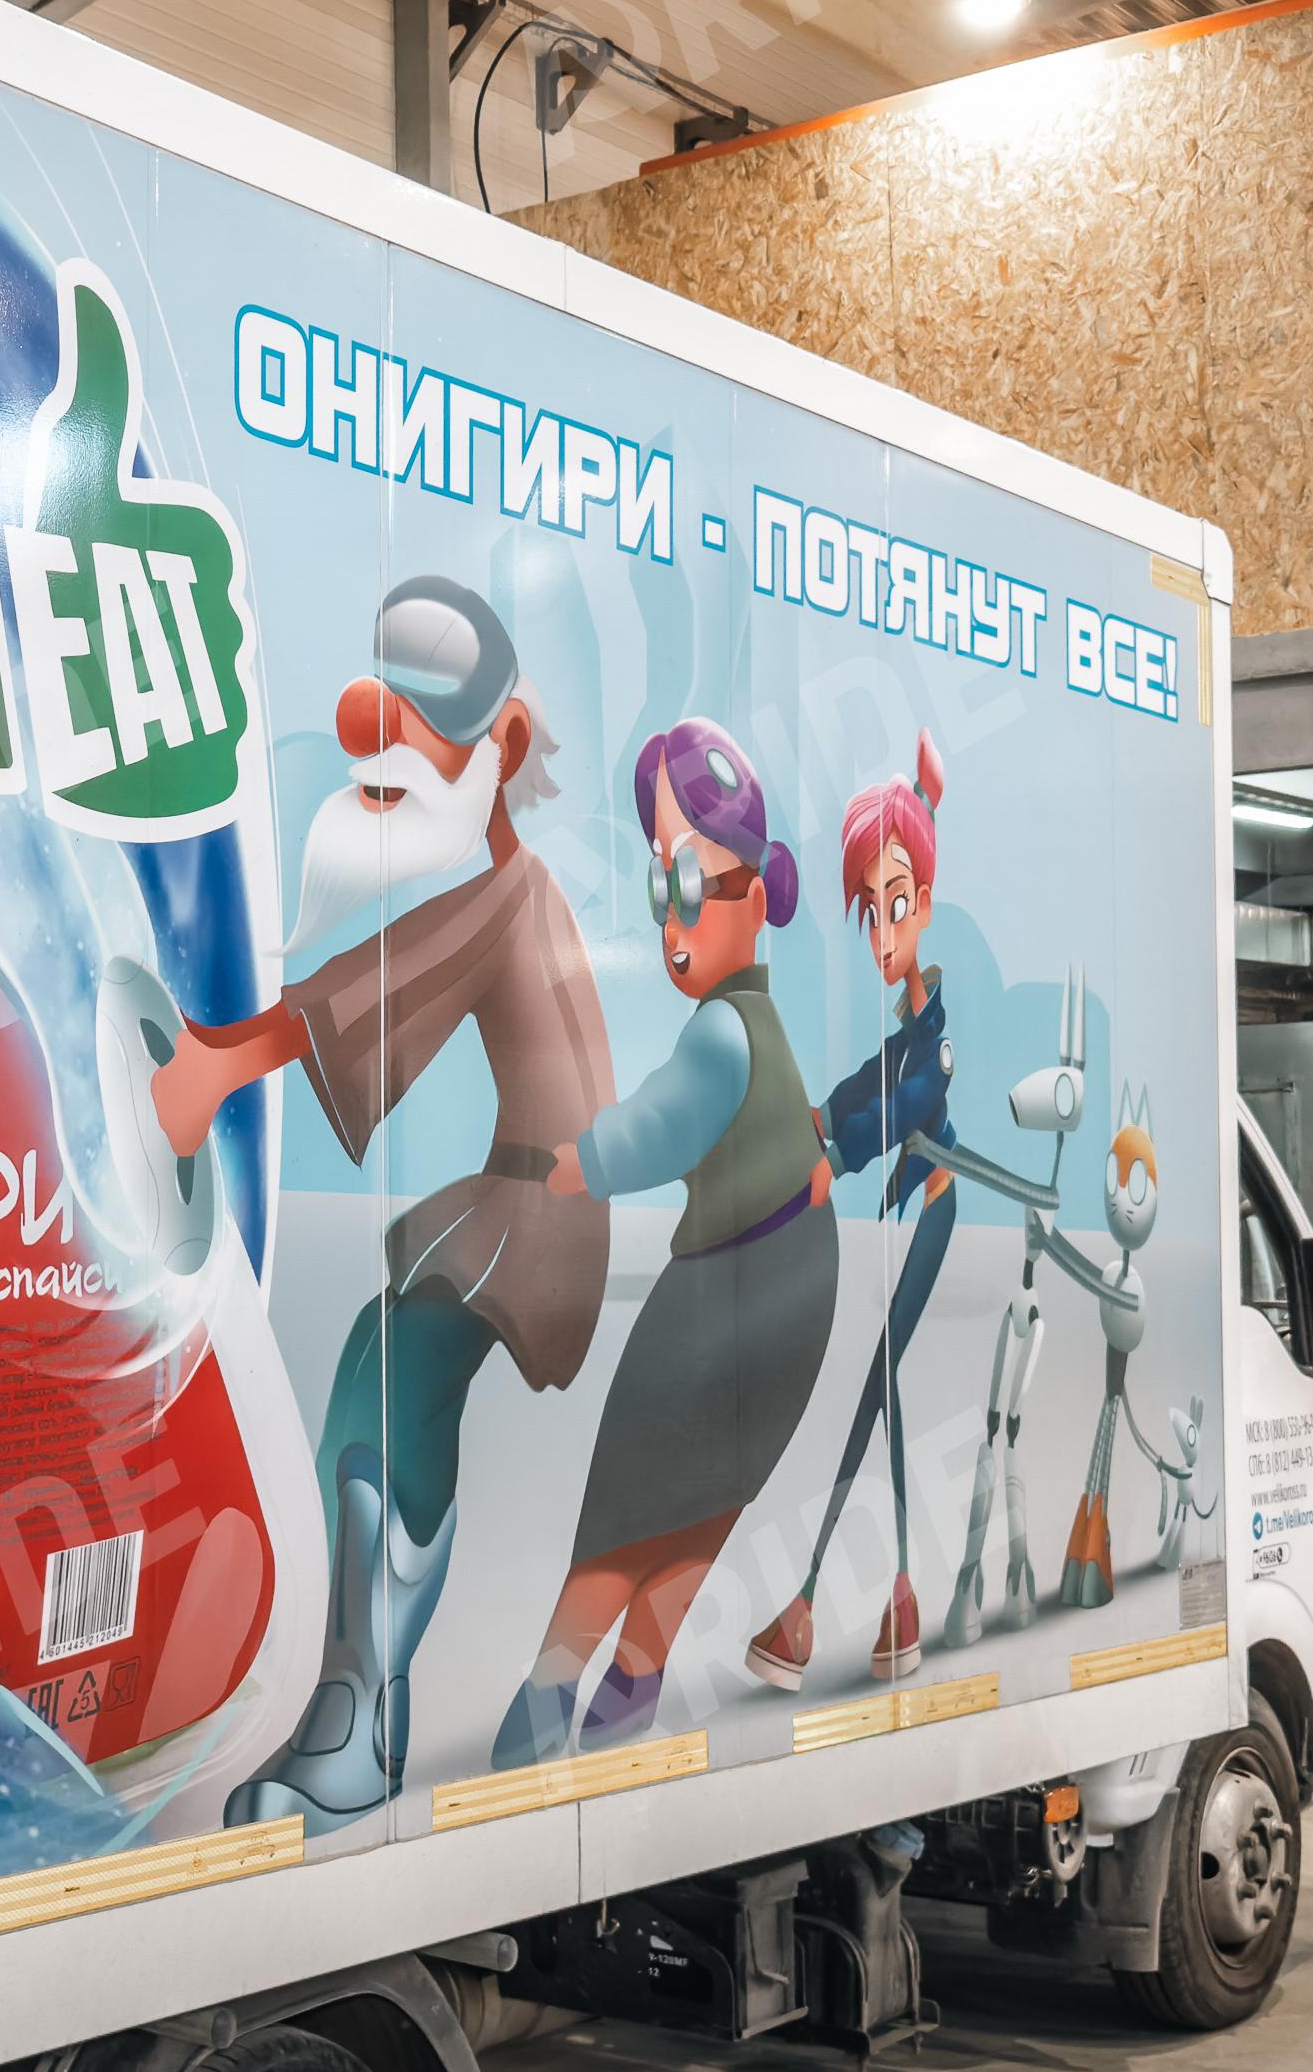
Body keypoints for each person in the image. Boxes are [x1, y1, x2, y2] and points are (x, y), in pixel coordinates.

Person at [141, 576, 611, 1830]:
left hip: (542, 1213)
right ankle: (349, 1700)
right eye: (377, 714)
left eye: (424, 726)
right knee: (371, 1352)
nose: (381, 747)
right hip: (518, 1202)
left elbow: (395, 980)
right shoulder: (514, 885)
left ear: (503, 744)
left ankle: (359, 1723)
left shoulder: (513, 895)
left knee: (390, 1381)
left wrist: (217, 1062)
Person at [507, 717, 838, 1760]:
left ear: (756, 895)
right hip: (793, 1292)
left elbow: (661, 1124)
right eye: (663, 887)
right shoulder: (759, 1028)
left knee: (627, 1506)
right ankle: (633, 1686)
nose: (671, 917)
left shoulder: (724, 1033)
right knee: (703, 1511)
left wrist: (572, 1164)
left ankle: (546, 1698)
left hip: (728, 1298)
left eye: (691, 882)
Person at [747, 735, 955, 1694]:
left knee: (879, 1390)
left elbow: (907, 1103)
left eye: (896, 906)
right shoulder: (907, 1024)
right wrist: (819, 1118)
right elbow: (871, 1081)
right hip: (903, 1216)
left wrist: (836, 1151)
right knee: (883, 1391)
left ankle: (830, 1603)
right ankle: (878, 1603)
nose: (881, 932)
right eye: (870, 910)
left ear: (926, 903)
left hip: (934, 1214)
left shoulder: (936, 1038)